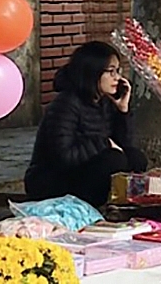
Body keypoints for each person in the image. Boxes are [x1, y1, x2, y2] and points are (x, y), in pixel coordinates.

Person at [25, 42, 147, 207]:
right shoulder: (66, 104)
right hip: (51, 180)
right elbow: (63, 157)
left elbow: (125, 145)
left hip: (83, 172)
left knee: (135, 157)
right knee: (113, 159)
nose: (117, 77)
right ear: (93, 72)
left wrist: (122, 111)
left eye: (118, 71)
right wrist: (104, 143)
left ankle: (123, 204)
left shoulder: (105, 101)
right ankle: (92, 207)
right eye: (111, 72)